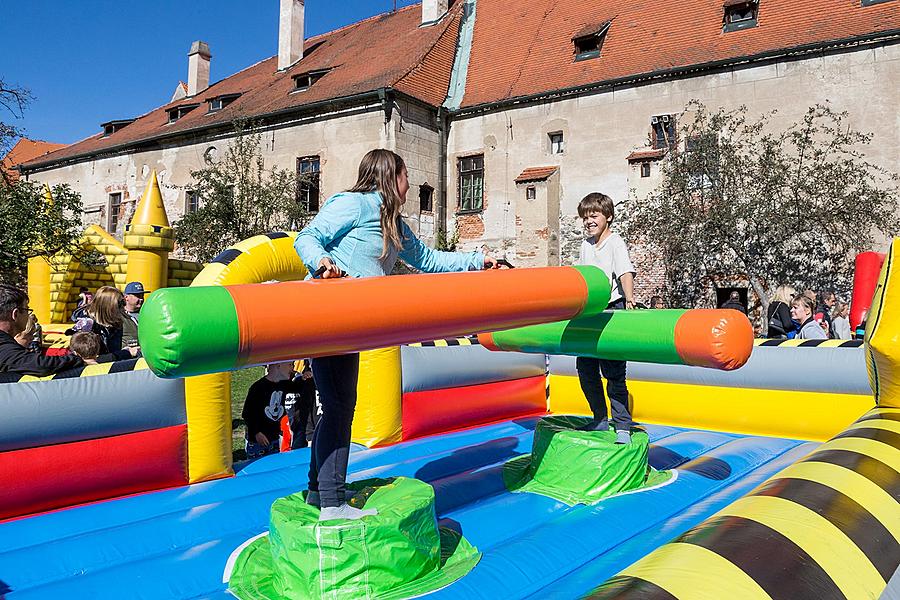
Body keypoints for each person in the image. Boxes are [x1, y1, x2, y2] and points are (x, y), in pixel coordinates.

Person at [294, 148, 498, 521]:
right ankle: (333, 504)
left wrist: (476, 260)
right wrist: (321, 262)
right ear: (392, 177)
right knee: (339, 408)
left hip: (353, 325)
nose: (409, 185)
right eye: (406, 177)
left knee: (339, 407)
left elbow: (430, 260)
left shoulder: (394, 225)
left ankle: (316, 491)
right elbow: (308, 236)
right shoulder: (354, 205)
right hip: (327, 316)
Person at [573, 192, 636, 445]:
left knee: (613, 371)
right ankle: (599, 418)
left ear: (608, 217)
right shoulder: (586, 245)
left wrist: (630, 300)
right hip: (589, 313)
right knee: (586, 368)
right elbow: (581, 278)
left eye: (594, 216)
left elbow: (624, 272)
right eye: (585, 217)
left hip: (613, 309)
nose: (589, 221)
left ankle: (622, 426)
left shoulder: (615, 242)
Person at [0, 284, 83, 376]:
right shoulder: (3, 346)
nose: (28, 315)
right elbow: (40, 365)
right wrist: (78, 359)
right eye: (27, 310)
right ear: (15, 314)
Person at [241, 362, 300, 460]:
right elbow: (247, 414)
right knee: (257, 466)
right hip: (257, 440)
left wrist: (304, 378)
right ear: (278, 366)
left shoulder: (285, 384)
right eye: (290, 364)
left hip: (274, 438)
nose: (292, 368)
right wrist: (256, 432)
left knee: (273, 463)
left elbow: (299, 387)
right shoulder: (258, 388)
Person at [83, 286, 140, 356]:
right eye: (120, 303)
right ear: (108, 306)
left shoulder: (116, 324)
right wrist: (126, 353)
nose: (124, 306)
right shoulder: (88, 326)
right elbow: (89, 360)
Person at [286, 359, 319, 450]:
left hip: (311, 428)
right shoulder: (302, 381)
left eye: (292, 364)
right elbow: (306, 411)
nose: (292, 367)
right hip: (298, 427)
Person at [121, 282, 145, 347]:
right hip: (126, 355)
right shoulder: (118, 316)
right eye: (137, 296)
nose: (141, 299)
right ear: (126, 297)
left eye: (142, 295)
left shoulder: (146, 314)